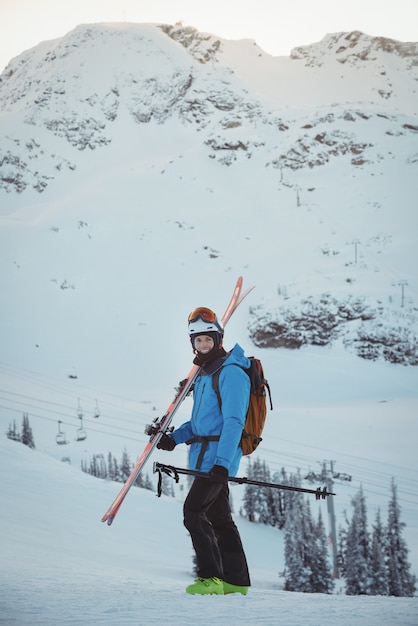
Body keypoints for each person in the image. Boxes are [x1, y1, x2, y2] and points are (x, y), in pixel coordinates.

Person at [157, 306, 251, 596]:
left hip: (217, 459)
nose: (203, 345)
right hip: (203, 457)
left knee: (193, 512)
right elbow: (201, 421)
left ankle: (210, 579)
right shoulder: (204, 373)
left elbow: (234, 421)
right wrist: (176, 438)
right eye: (198, 341)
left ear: (219, 339)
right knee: (220, 519)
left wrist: (223, 463)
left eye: (208, 339)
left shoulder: (231, 372)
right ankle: (236, 583)